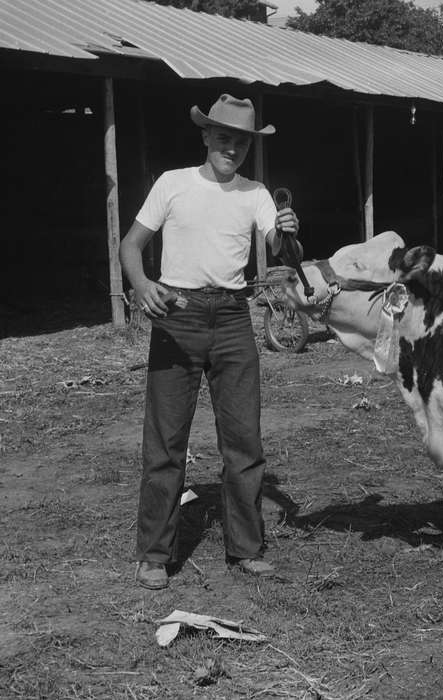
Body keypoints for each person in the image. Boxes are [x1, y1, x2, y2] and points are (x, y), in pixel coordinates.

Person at [119, 94, 300, 590]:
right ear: (206, 136)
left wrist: (287, 231)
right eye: (224, 137)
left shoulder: (256, 193)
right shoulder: (172, 184)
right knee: (166, 440)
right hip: (177, 316)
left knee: (243, 440)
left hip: (233, 317)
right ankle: (155, 554)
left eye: (241, 141)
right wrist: (142, 285)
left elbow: (277, 248)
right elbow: (131, 245)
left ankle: (246, 548)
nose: (232, 148)